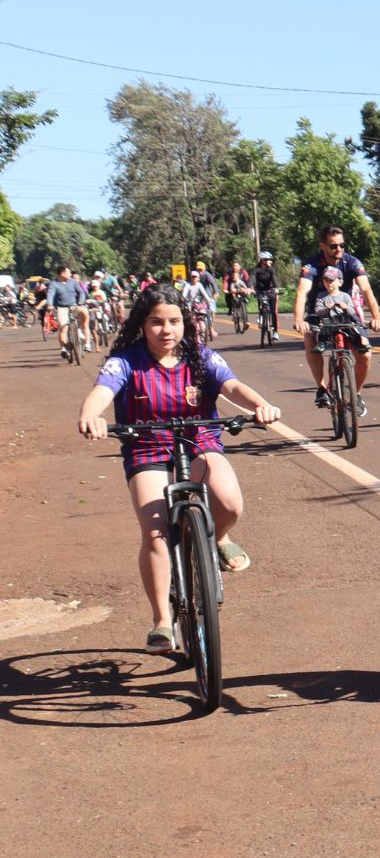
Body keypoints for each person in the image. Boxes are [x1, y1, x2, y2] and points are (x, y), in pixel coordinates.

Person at [76, 283, 282, 653]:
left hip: (198, 441)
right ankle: (161, 622)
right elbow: (103, 390)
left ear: (185, 323)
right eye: (156, 322)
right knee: (156, 533)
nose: (166, 330)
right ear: (142, 324)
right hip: (147, 446)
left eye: (173, 321)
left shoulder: (201, 357)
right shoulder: (125, 360)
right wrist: (91, 415)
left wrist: (260, 405)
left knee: (229, 502)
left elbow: (232, 387)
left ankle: (218, 539)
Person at [294, 226, 380, 404]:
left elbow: (366, 289)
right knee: (310, 339)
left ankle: (356, 395)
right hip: (319, 312)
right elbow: (301, 293)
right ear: (323, 246)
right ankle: (321, 388)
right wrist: (298, 319)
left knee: (365, 354)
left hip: (346, 313)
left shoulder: (352, 262)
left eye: (342, 245)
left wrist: (376, 316)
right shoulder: (311, 266)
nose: (339, 250)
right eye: (333, 246)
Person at [47, 267, 87, 358]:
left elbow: (81, 292)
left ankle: (80, 328)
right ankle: (64, 348)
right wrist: (50, 304)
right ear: (62, 274)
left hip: (73, 306)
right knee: (63, 327)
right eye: (68, 272)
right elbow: (50, 295)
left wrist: (81, 301)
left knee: (84, 312)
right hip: (61, 308)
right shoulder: (53, 284)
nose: (70, 274)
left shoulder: (73, 282)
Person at [251, 251, 280, 337]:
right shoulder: (256, 270)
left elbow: (274, 280)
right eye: (269, 260)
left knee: (273, 311)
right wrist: (250, 288)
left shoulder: (271, 270)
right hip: (260, 291)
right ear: (263, 261)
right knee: (260, 300)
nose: (271, 262)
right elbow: (252, 279)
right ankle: (261, 316)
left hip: (270, 290)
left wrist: (276, 289)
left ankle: (275, 332)